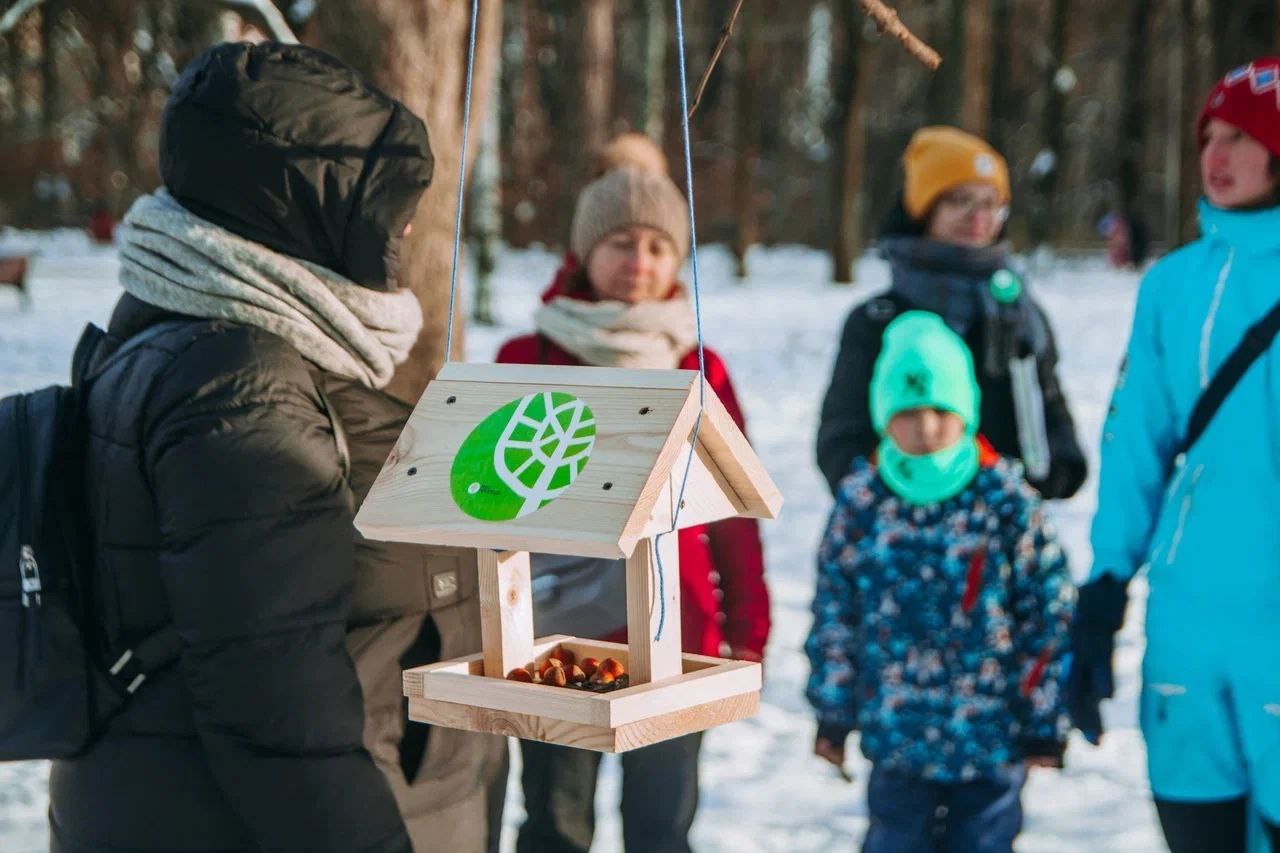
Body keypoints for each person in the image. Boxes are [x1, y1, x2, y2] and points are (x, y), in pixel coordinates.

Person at [49, 42, 506, 852]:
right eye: (386, 203)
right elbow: (274, 703)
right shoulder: (241, 384)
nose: (404, 227)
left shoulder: (174, 334)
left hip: (157, 798)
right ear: (307, 205)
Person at [495, 136, 771, 853]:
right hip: (553, 640)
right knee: (555, 823)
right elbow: (488, 498)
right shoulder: (529, 357)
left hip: (676, 636)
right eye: (621, 242)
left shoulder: (699, 363)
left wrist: (749, 622)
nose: (639, 262)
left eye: (657, 246)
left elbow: (732, 505)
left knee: (660, 828)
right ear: (586, 249)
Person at [1071, 57, 1280, 853]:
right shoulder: (1170, 286)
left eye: (1243, 137)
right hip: (1187, 624)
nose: (1217, 156)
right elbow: (1137, 445)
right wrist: (1104, 586)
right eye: (1209, 136)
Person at [806, 311, 1074, 853]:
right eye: (907, 412)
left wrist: (1044, 715)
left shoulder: (1004, 500)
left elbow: (1047, 611)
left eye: (939, 411)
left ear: (966, 411)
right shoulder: (864, 501)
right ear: (884, 415)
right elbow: (838, 612)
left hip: (991, 739)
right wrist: (834, 711)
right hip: (897, 735)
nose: (924, 428)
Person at [816, 126, 1087, 501]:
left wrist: (1048, 474)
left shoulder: (1019, 313)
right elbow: (841, 438)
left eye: (990, 202)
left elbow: (1052, 419)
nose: (978, 216)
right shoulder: (878, 321)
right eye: (959, 200)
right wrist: (884, 496)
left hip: (1001, 524)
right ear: (924, 207)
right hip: (904, 527)